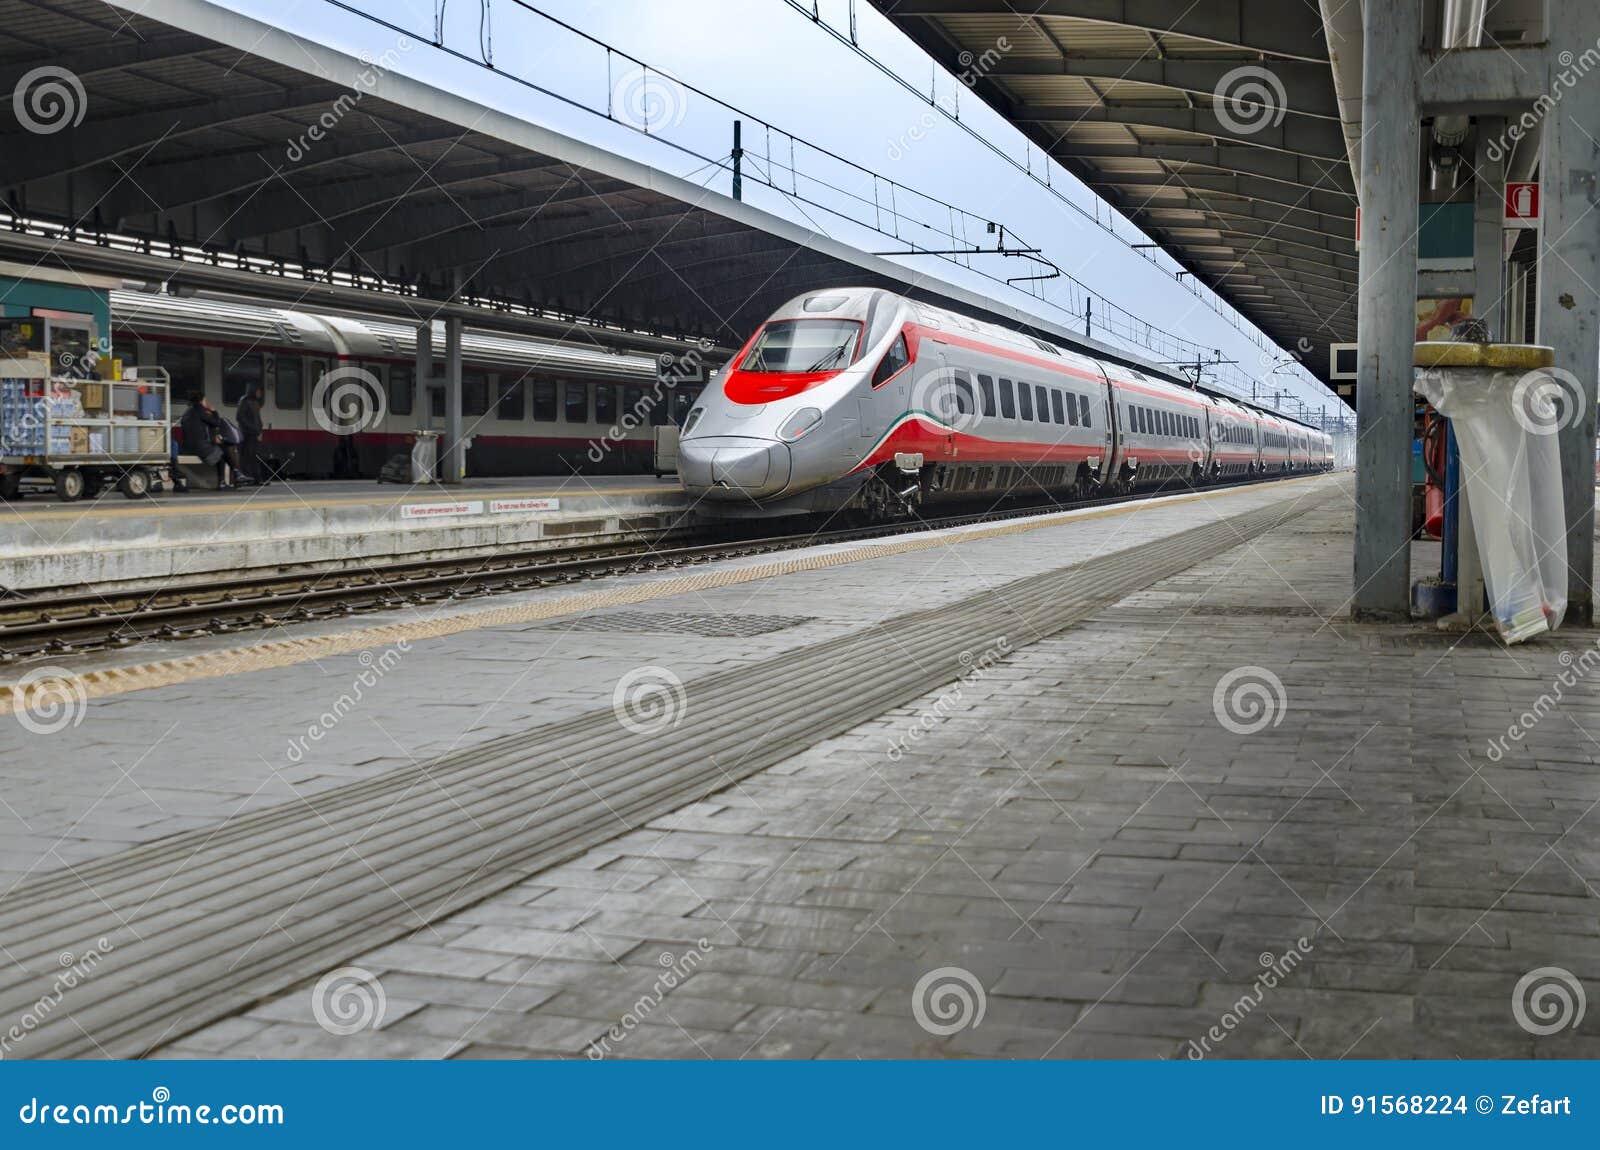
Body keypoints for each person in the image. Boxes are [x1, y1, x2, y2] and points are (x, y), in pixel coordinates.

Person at [180, 391, 241, 489]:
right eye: (205, 400)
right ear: (201, 401)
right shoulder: (200, 410)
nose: (206, 402)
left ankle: (235, 475)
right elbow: (216, 423)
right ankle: (232, 476)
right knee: (223, 452)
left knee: (221, 451)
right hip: (199, 447)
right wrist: (214, 411)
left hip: (187, 446)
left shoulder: (188, 412)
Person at [235, 383, 266, 486]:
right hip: (247, 434)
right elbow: (240, 417)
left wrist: (260, 430)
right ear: (253, 391)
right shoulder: (244, 401)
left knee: (255, 456)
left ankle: (257, 479)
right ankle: (249, 478)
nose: (260, 393)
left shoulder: (255, 402)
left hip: (254, 434)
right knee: (247, 457)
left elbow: (257, 419)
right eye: (258, 391)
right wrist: (254, 430)